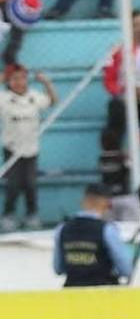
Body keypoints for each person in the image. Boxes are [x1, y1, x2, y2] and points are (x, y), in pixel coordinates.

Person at [0, 63, 55, 230]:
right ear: (8, 81)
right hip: (12, 148)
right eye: (13, 79)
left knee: (31, 183)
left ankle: (32, 214)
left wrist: (46, 83)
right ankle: (8, 215)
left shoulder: (33, 96)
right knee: (14, 184)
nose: (18, 82)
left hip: (31, 149)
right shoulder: (4, 98)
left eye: (22, 78)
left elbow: (52, 101)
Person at [53, 183, 132, 286]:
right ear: (107, 204)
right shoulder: (107, 230)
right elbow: (126, 269)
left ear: (83, 202)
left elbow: (58, 269)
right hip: (103, 293)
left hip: (72, 294)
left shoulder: (62, 228)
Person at [103, 9, 140, 104]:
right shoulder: (117, 50)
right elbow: (109, 79)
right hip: (126, 97)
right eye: (136, 25)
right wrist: (121, 91)